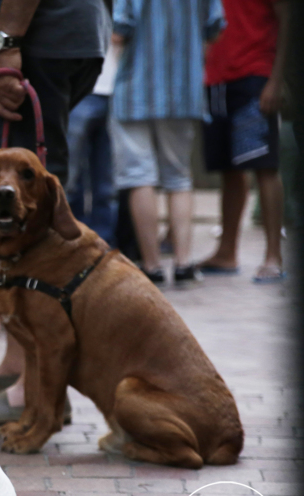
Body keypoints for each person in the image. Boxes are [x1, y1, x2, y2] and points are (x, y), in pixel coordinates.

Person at [0, 0, 110, 424]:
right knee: (14, 203)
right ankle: (18, 367)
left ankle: (33, 390)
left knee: (21, 207)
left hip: (23, 35)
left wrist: (6, 41)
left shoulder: (12, 41)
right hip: (41, 33)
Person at [111, 0, 225, 285]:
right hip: (183, 90)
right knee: (179, 177)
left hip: (135, 88)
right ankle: (184, 264)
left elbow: (119, 30)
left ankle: (152, 267)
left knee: (139, 176)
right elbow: (215, 26)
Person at [198, 0, 290, 283]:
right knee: (229, 169)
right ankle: (226, 252)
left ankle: (273, 256)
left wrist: (276, 80)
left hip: (255, 75)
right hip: (215, 79)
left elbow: (288, 19)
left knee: (264, 166)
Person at [65, 42, 120, 247]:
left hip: (116, 87)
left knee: (107, 182)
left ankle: (102, 243)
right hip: (78, 84)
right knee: (71, 180)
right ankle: (73, 240)